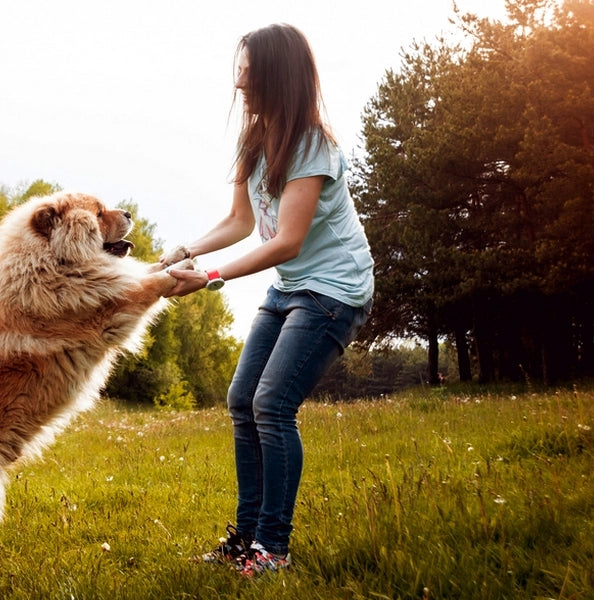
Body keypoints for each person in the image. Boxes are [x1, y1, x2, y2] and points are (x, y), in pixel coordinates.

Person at [161, 23, 374, 576]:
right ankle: (245, 539)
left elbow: (286, 241)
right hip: (291, 287)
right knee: (241, 400)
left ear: (277, 76)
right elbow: (240, 221)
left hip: (334, 288)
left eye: (249, 72)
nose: (239, 84)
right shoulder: (254, 140)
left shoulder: (314, 145)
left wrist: (207, 276)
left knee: (272, 405)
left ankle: (272, 549)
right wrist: (183, 250)